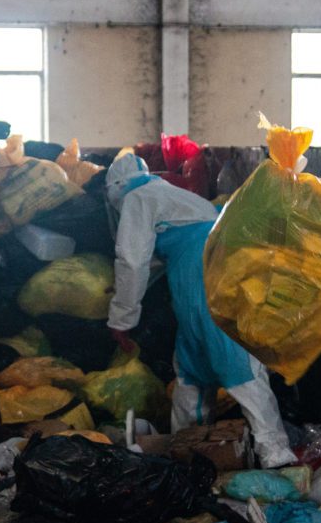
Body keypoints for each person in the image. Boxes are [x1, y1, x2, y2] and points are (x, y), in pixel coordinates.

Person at [105, 153, 296, 469]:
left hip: (202, 276)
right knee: (192, 364)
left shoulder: (137, 198)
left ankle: (277, 455)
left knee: (232, 358)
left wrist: (121, 318)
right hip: (203, 273)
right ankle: (187, 448)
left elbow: (132, 260)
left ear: (116, 189)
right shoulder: (168, 195)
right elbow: (155, 255)